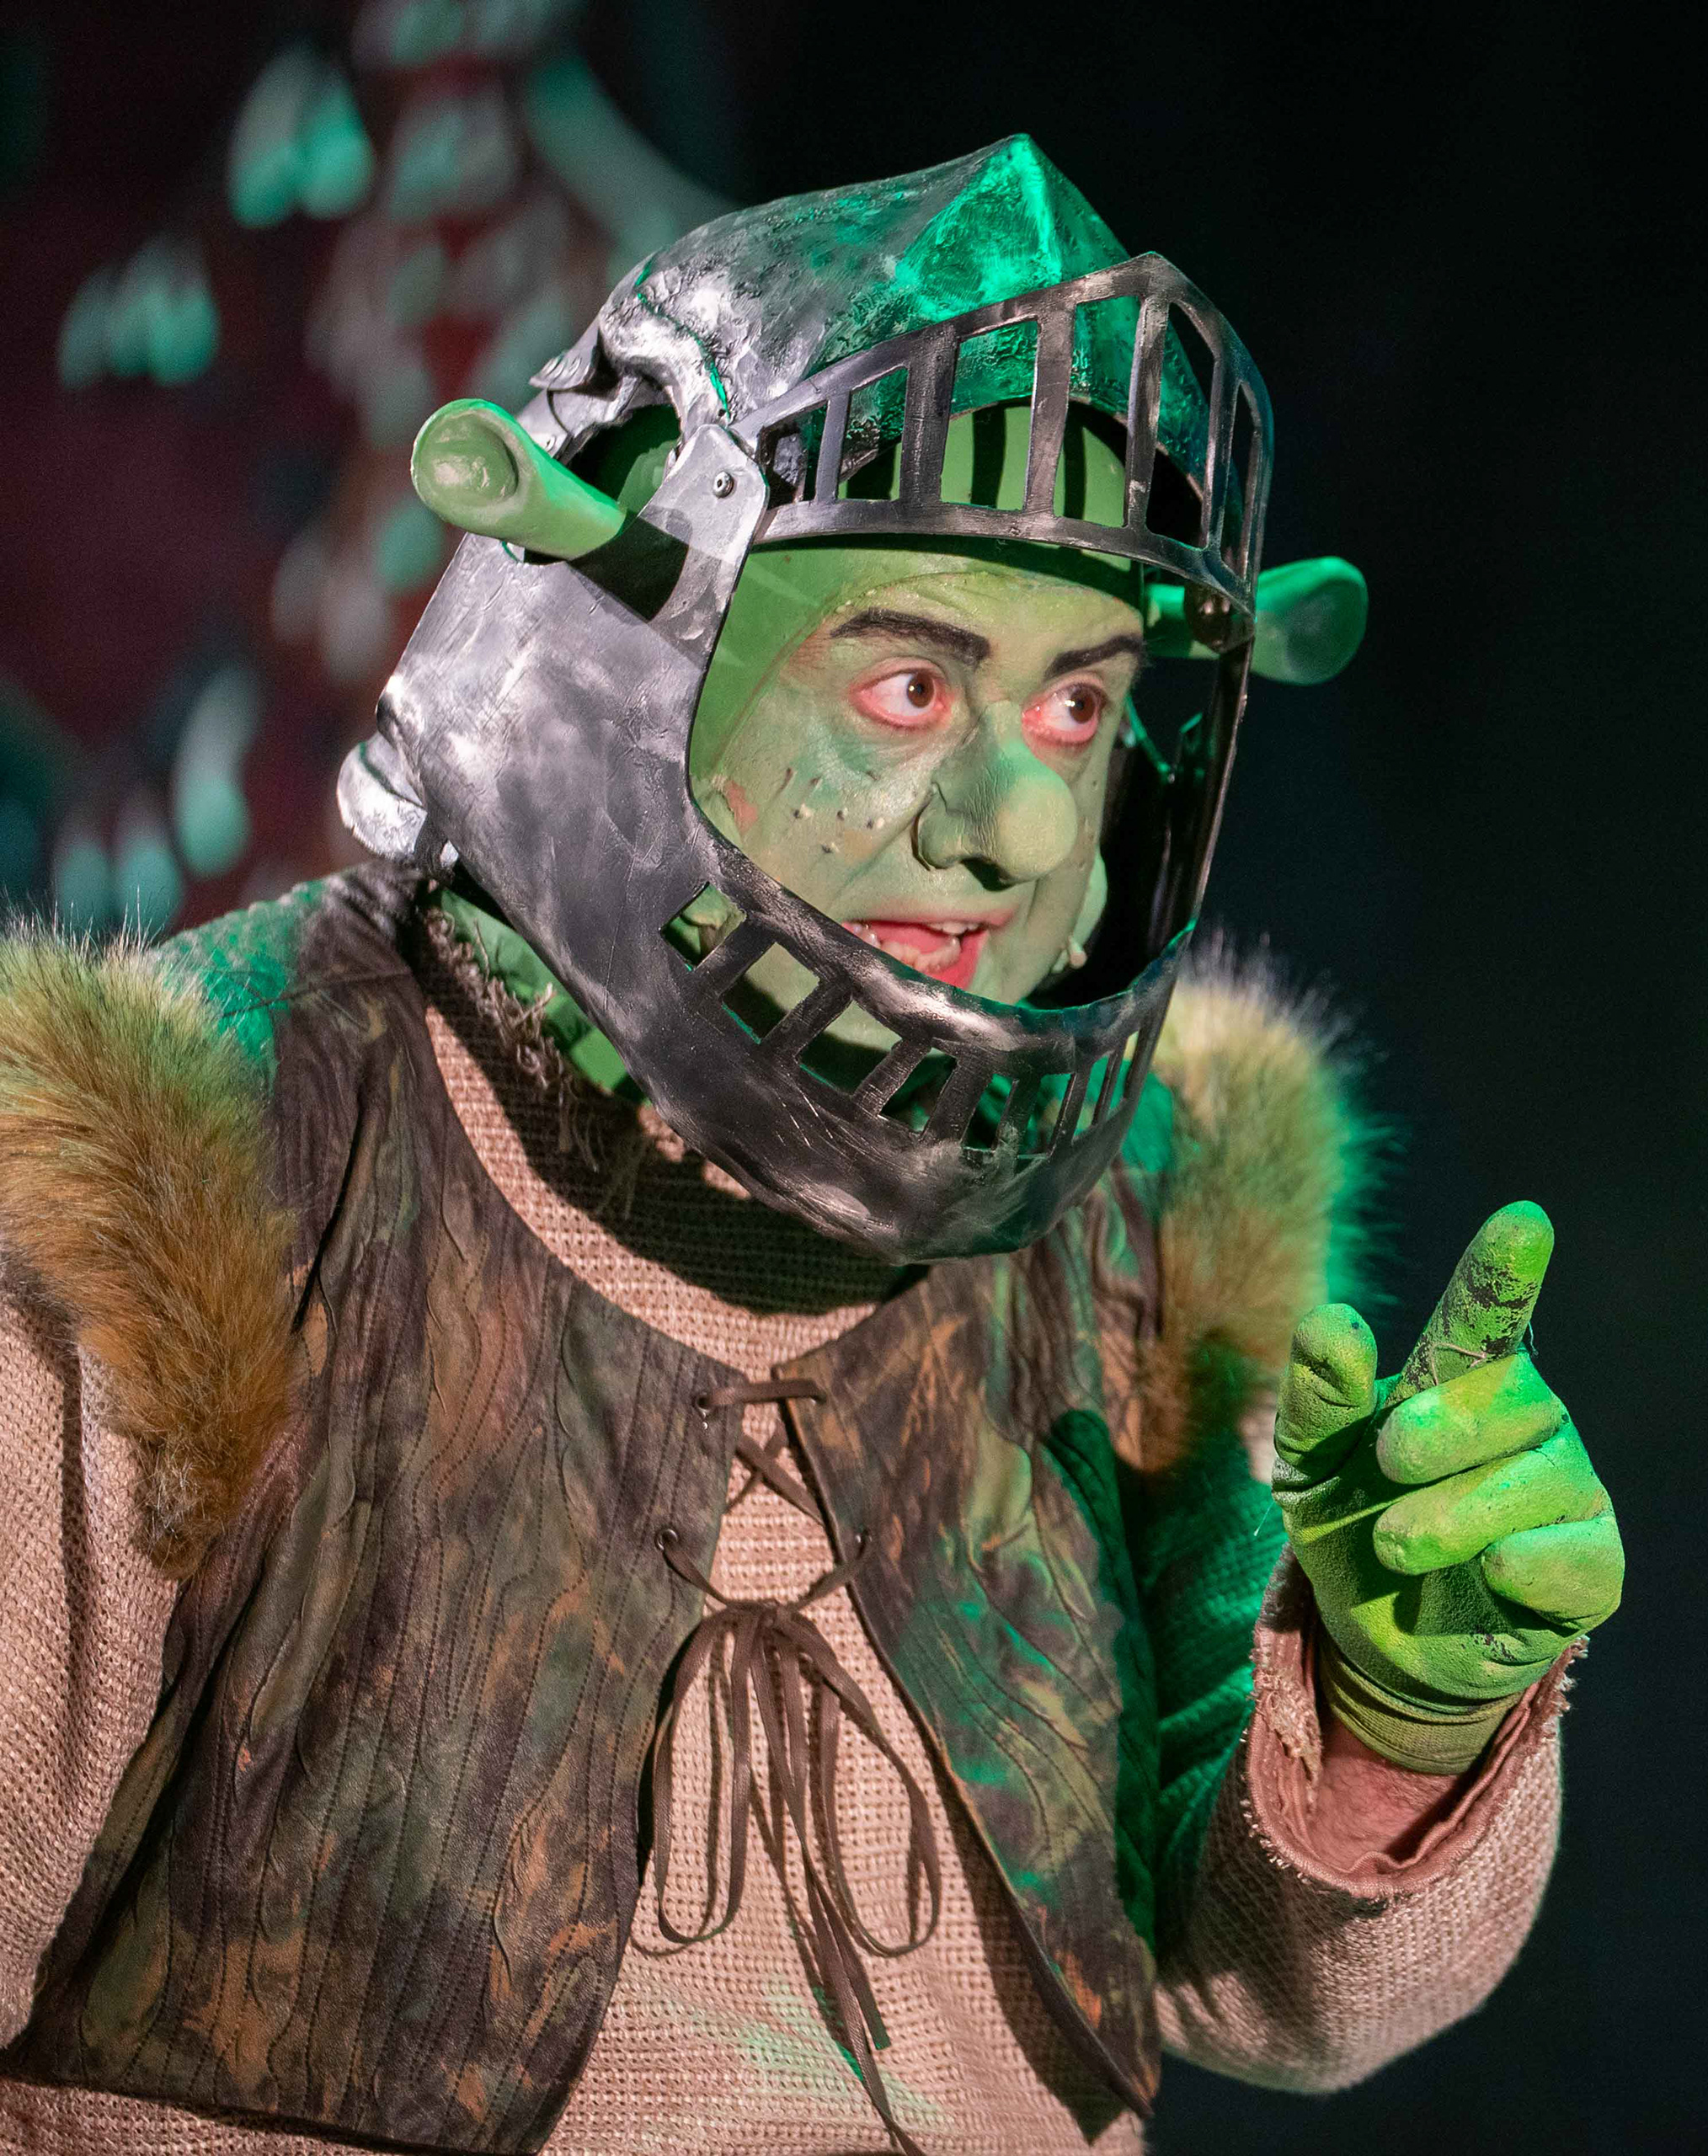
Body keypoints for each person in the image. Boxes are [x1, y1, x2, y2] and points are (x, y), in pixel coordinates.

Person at [0, 137, 1623, 2154]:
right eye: (912, 681)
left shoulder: (1137, 1230)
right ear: (621, 644)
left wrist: (1393, 1719)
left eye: (1078, 712)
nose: (1016, 830)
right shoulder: (186, 1175)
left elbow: (1264, 1979)